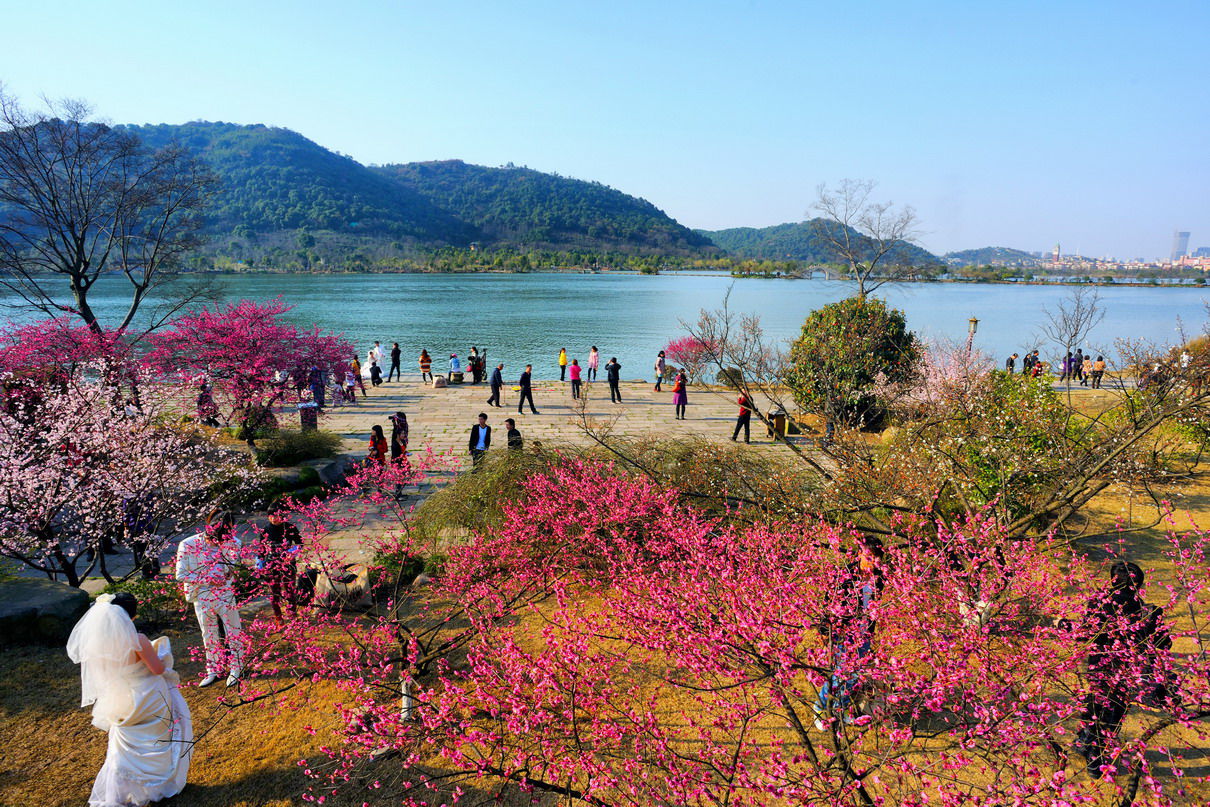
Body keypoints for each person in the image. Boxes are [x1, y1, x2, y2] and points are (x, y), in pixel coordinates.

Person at [67, 592, 192, 807]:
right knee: (157, 739)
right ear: (130, 615)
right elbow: (157, 669)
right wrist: (162, 652)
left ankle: (123, 790)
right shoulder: (138, 640)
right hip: (149, 697)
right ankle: (160, 784)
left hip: (120, 697)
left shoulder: (99, 644)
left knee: (125, 746)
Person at [1073, 562, 1174, 776]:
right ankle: (1095, 761)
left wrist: (1064, 626)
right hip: (1127, 671)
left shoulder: (1098, 602)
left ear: (1112, 580)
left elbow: (1083, 634)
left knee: (1096, 702)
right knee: (1114, 712)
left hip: (1098, 665)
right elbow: (1164, 644)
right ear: (1140, 584)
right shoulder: (1150, 612)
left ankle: (1084, 742)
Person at [815, 537, 886, 729]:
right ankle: (821, 709)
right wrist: (825, 631)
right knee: (839, 673)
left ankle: (840, 710)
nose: (873, 562)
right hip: (843, 631)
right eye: (869, 557)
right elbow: (829, 603)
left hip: (864, 633)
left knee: (854, 675)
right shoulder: (845, 574)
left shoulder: (879, 578)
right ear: (859, 554)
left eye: (876, 558)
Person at [175, 510, 244, 687]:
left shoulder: (234, 543)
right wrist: (208, 580)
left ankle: (237, 668)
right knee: (208, 633)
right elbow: (180, 574)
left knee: (233, 631)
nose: (221, 541)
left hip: (225, 593)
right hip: (202, 594)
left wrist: (230, 572)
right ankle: (213, 670)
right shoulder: (188, 544)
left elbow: (233, 564)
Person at [260, 504, 303, 623]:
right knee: (275, 593)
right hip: (272, 565)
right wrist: (260, 562)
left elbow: (300, 543)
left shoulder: (290, 528)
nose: (274, 518)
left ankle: (293, 616)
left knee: (290, 591)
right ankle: (279, 619)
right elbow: (261, 550)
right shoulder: (265, 530)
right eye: (271, 515)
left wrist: (292, 552)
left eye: (276, 515)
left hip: (288, 564)